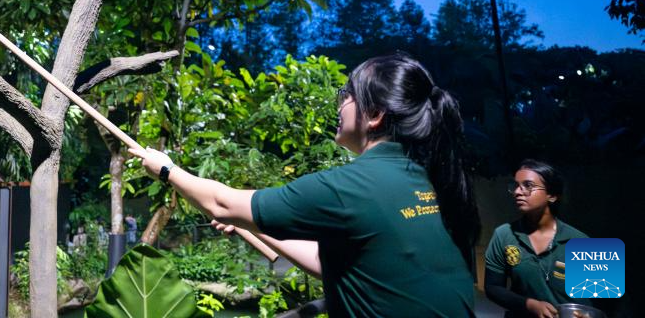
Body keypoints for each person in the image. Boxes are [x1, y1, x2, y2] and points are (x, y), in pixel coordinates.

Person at [130, 53, 480, 318]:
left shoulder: (352, 186)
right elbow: (332, 262)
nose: (341, 102)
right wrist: (251, 224)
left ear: (374, 116)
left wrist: (165, 169)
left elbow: (222, 203)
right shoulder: (422, 177)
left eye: (348, 93)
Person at [484, 160, 594, 318]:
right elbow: (493, 287)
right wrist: (528, 304)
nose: (517, 192)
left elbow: (607, 301)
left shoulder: (581, 241)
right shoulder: (504, 235)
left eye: (528, 186)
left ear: (552, 195)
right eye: (516, 186)